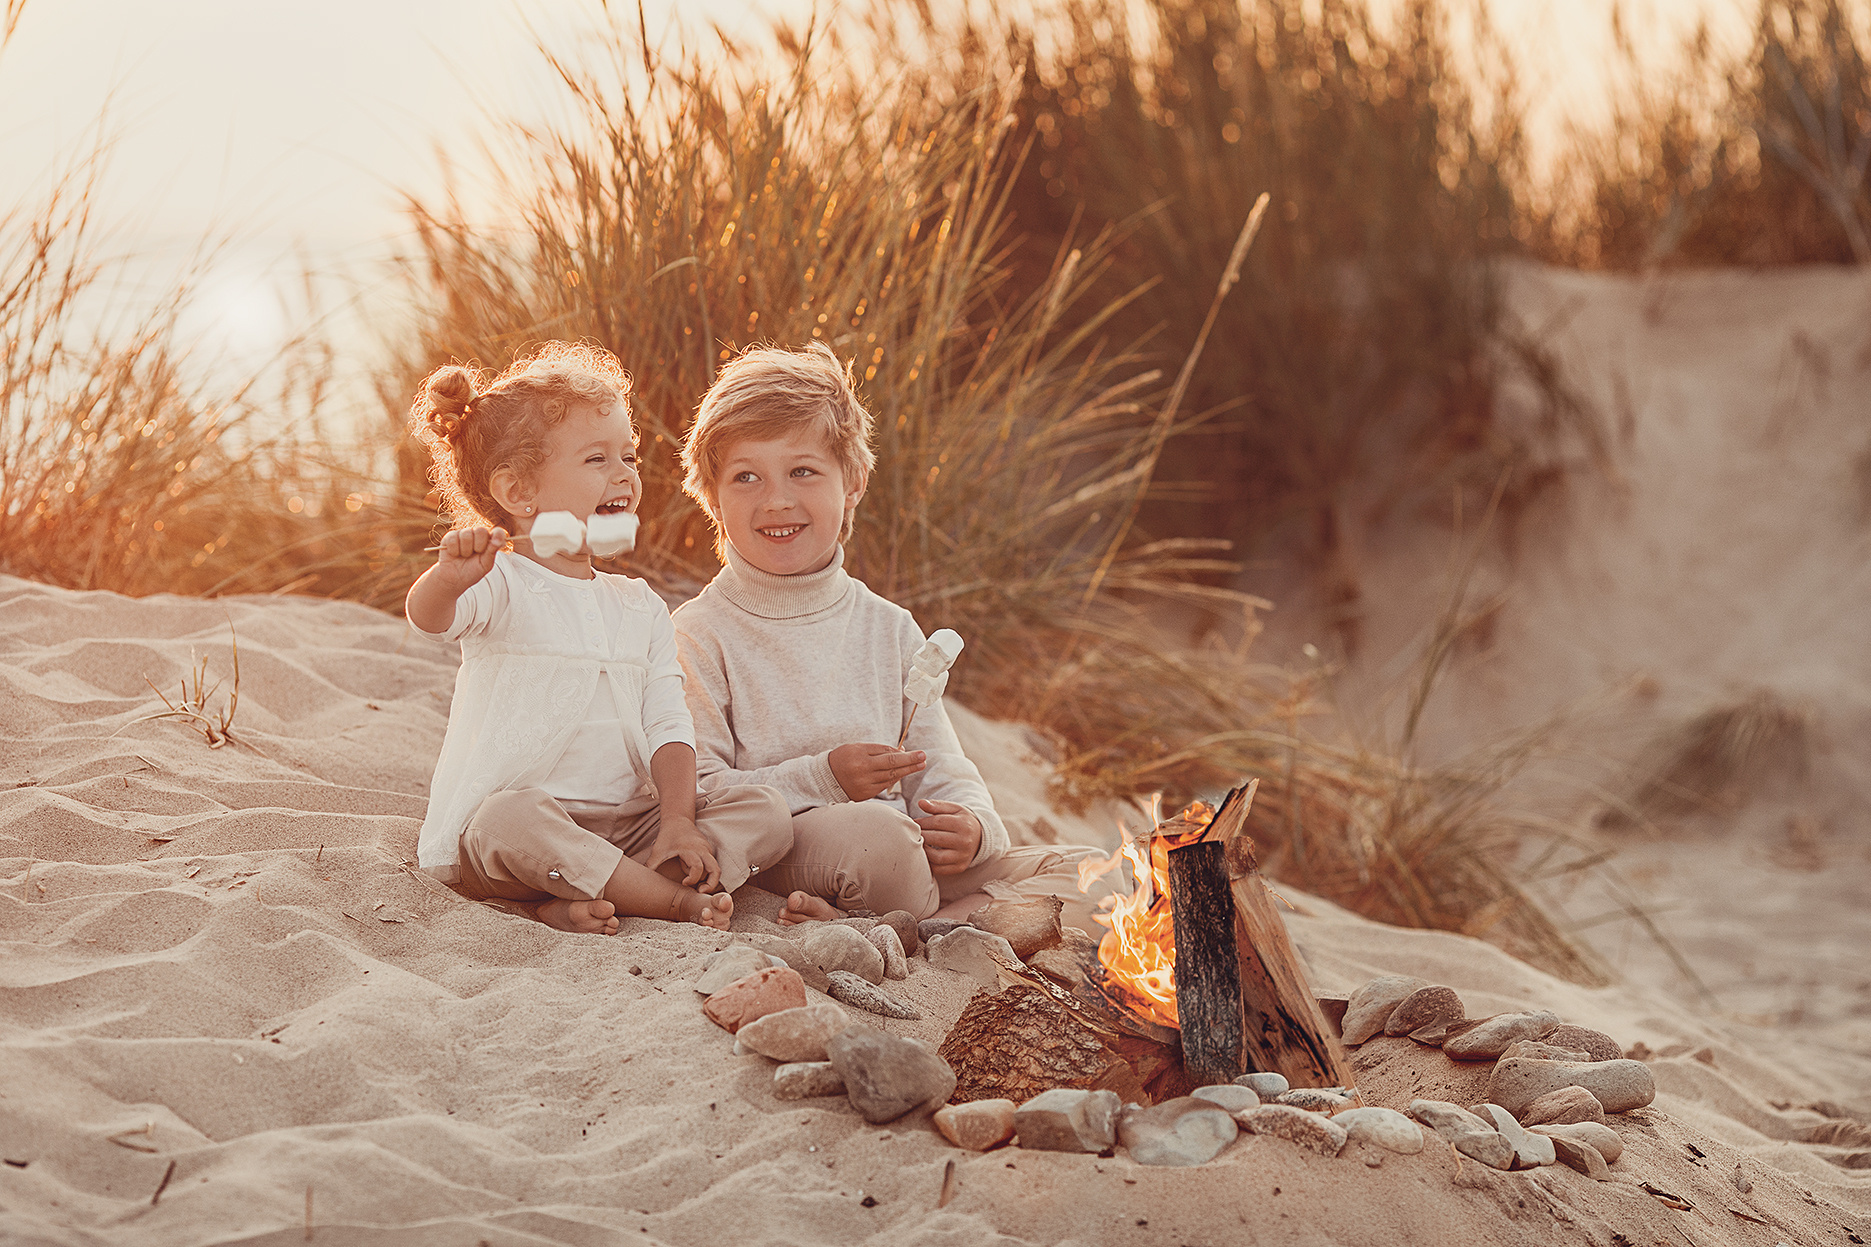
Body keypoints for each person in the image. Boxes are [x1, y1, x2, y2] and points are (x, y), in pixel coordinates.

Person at [672, 341, 1104, 926]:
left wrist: (975, 828)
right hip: (800, 848)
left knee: (1098, 872)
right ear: (713, 500)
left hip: (903, 845)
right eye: (746, 477)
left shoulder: (890, 627)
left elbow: (941, 763)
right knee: (882, 842)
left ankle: (906, 925)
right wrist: (824, 776)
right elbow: (701, 789)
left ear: (851, 485)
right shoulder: (700, 633)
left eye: (803, 471)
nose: (776, 499)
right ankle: (936, 923)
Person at [404, 342, 791, 935]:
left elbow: (668, 722)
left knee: (766, 813)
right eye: (596, 460)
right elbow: (430, 617)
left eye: (628, 456)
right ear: (518, 494)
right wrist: (448, 578)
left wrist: (678, 821)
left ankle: (600, 888)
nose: (625, 475)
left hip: (629, 822)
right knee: (506, 820)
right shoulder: (502, 582)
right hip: (532, 824)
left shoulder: (639, 606)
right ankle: (668, 900)